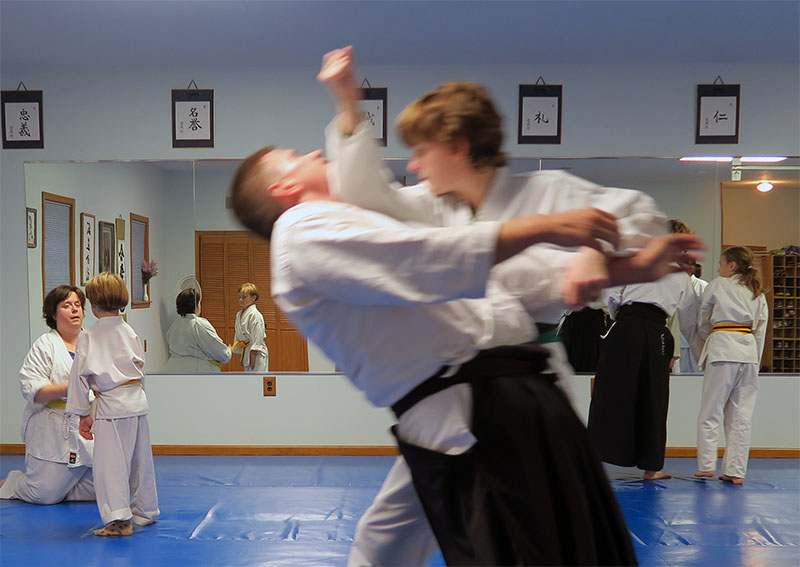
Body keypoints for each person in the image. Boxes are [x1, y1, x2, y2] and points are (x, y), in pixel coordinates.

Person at [229, 116, 701, 564]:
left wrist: (625, 267)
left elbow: (509, 281)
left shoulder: (360, 226)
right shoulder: (300, 231)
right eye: (295, 155)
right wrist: (546, 226)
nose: (313, 151)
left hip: (488, 402)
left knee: (383, 543)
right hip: (477, 411)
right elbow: (423, 261)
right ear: (284, 188)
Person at [317, 46, 688, 566]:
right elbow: (372, 198)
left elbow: (637, 214)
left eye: (421, 150)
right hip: (453, 389)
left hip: (525, 386)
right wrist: (348, 103)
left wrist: (589, 250)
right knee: (388, 531)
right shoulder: (433, 207)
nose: (414, 164)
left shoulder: (546, 190)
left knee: (523, 535)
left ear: (459, 146)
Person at [588, 220, 700, 481]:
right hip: (655, 332)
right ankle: (651, 467)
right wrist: (702, 352)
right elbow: (689, 320)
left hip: (627, 326)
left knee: (610, 393)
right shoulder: (681, 276)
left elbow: (610, 294)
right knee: (654, 398)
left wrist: (621, 318)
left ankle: (592, 461)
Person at [66, 272, 159, 536]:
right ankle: (146, 510)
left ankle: (119, 521)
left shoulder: (89, 336)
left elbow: (78, 378)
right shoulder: (128, 330)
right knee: (141, 461)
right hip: (137, 403)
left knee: (110, 466)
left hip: (111, 408)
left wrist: (82, 413)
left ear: (92, 305)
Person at [0, 285, 94, 504]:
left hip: (87, 427)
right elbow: (33, 389)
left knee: (106, 491)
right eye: (67, 305)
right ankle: (15, 482)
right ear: (53, 314)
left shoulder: (92, 343)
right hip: (52, 429)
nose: (74, 310)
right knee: (44, 496)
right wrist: (72, 387)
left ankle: (60, 487)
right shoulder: (46, 345)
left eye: (78, 305)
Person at [694, 246, 768, 485]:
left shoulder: (717, 284)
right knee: (741, 415)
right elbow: (761, 329)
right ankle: (736, 471)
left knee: (711, 410)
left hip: (723, 348)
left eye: (721, 263)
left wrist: (712, 337)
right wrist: (754, 357)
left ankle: (706, 465)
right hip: (747, 352)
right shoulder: (756, 291)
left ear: (732, 266)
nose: (718, 268)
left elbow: (703, 320)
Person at [165, 288, 231, 372]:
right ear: (196, 305)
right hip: (197, 373)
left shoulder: (174, 326)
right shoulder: (199, 324)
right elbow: (220, 353)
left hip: (171, 371)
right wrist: (228, 351)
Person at [232, 282, 268, 371]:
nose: (241, 300)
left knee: (258, 381)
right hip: (246, 351)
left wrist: (253, 356)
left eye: (244, 297)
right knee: (248, 381)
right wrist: (240, 354)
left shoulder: (255, 315)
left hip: (257, 354)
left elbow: (258, 337)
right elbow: (238, 336)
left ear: (253, 298)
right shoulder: (239, 314)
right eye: (239, 297)